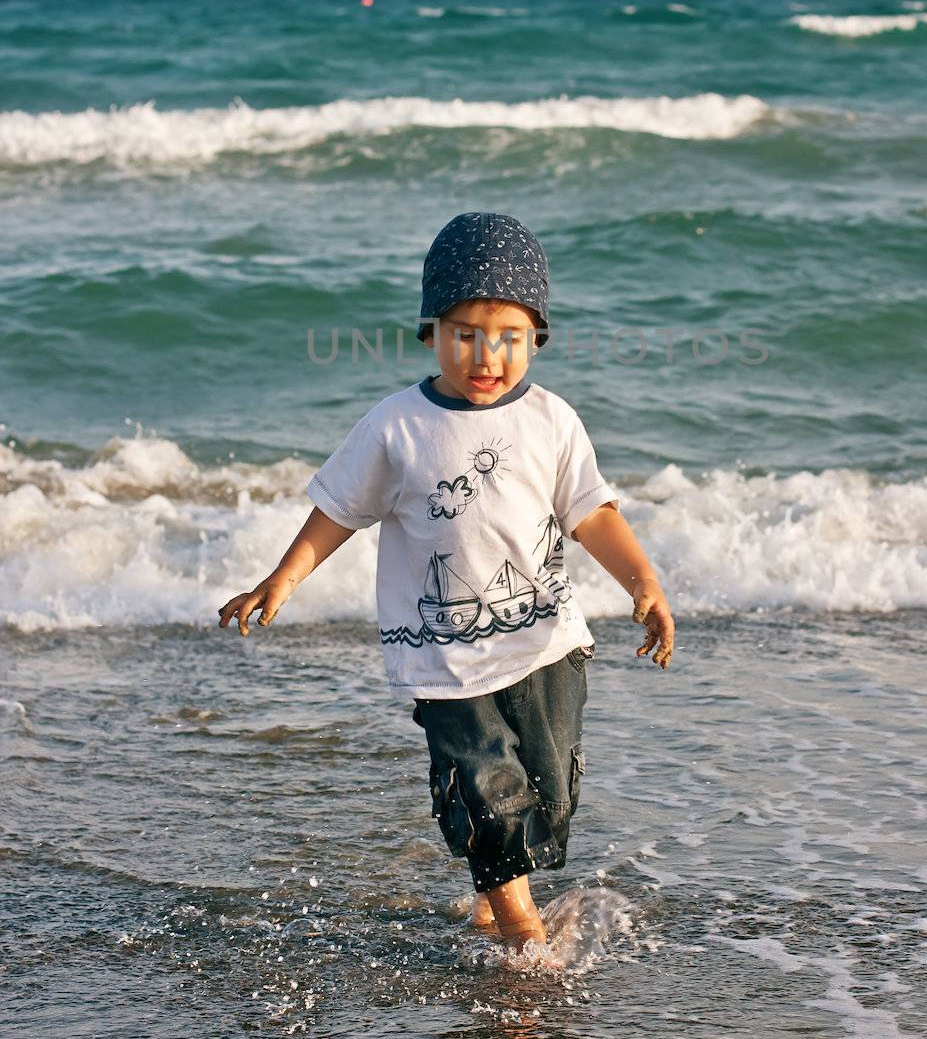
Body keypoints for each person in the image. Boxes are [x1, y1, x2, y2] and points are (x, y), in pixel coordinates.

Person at [218, 211, 675, 958]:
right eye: (465, 332)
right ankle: (522, 933)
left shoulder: (553, 421)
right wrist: (283, 578)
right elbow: (337, 511)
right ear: (431, 333)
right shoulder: (395, 427)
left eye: (509, 335)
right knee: (486, 789)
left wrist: (644, 583)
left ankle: (492, 892)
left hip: (545, 641)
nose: (486, 353)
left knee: (547, 796)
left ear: (537, 339)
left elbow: (592, 513)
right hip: (443, 657)